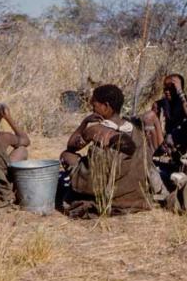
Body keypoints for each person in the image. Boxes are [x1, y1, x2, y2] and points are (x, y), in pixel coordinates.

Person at [60, 84, 151, 216]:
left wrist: (84, 122)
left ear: (106, 106)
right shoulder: (134, 129)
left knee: (66, 155)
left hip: (106, 188)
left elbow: (71, 146)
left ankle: (85, 192)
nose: (92, 108)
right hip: (132, 190)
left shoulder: (96, 130)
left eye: (94, 105)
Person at [151, 74, 187, 156]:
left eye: (171, 88)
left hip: (178, 145)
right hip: (160, 143)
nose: (167, 91)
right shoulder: (159, 104)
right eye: (165, 88)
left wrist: (180, 92)